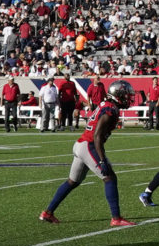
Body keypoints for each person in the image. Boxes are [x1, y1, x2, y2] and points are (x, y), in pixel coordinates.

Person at [41, 80, 136, 227]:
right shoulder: (110, 110)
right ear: (118, 95)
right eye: (125, 95)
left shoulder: (107, 105)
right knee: (109, 178)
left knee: (72, 182)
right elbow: (97, 136)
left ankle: (48, 212)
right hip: (89, 145)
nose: (128, 98)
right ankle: (116, 218)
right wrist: (102, 160)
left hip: (82, 144)